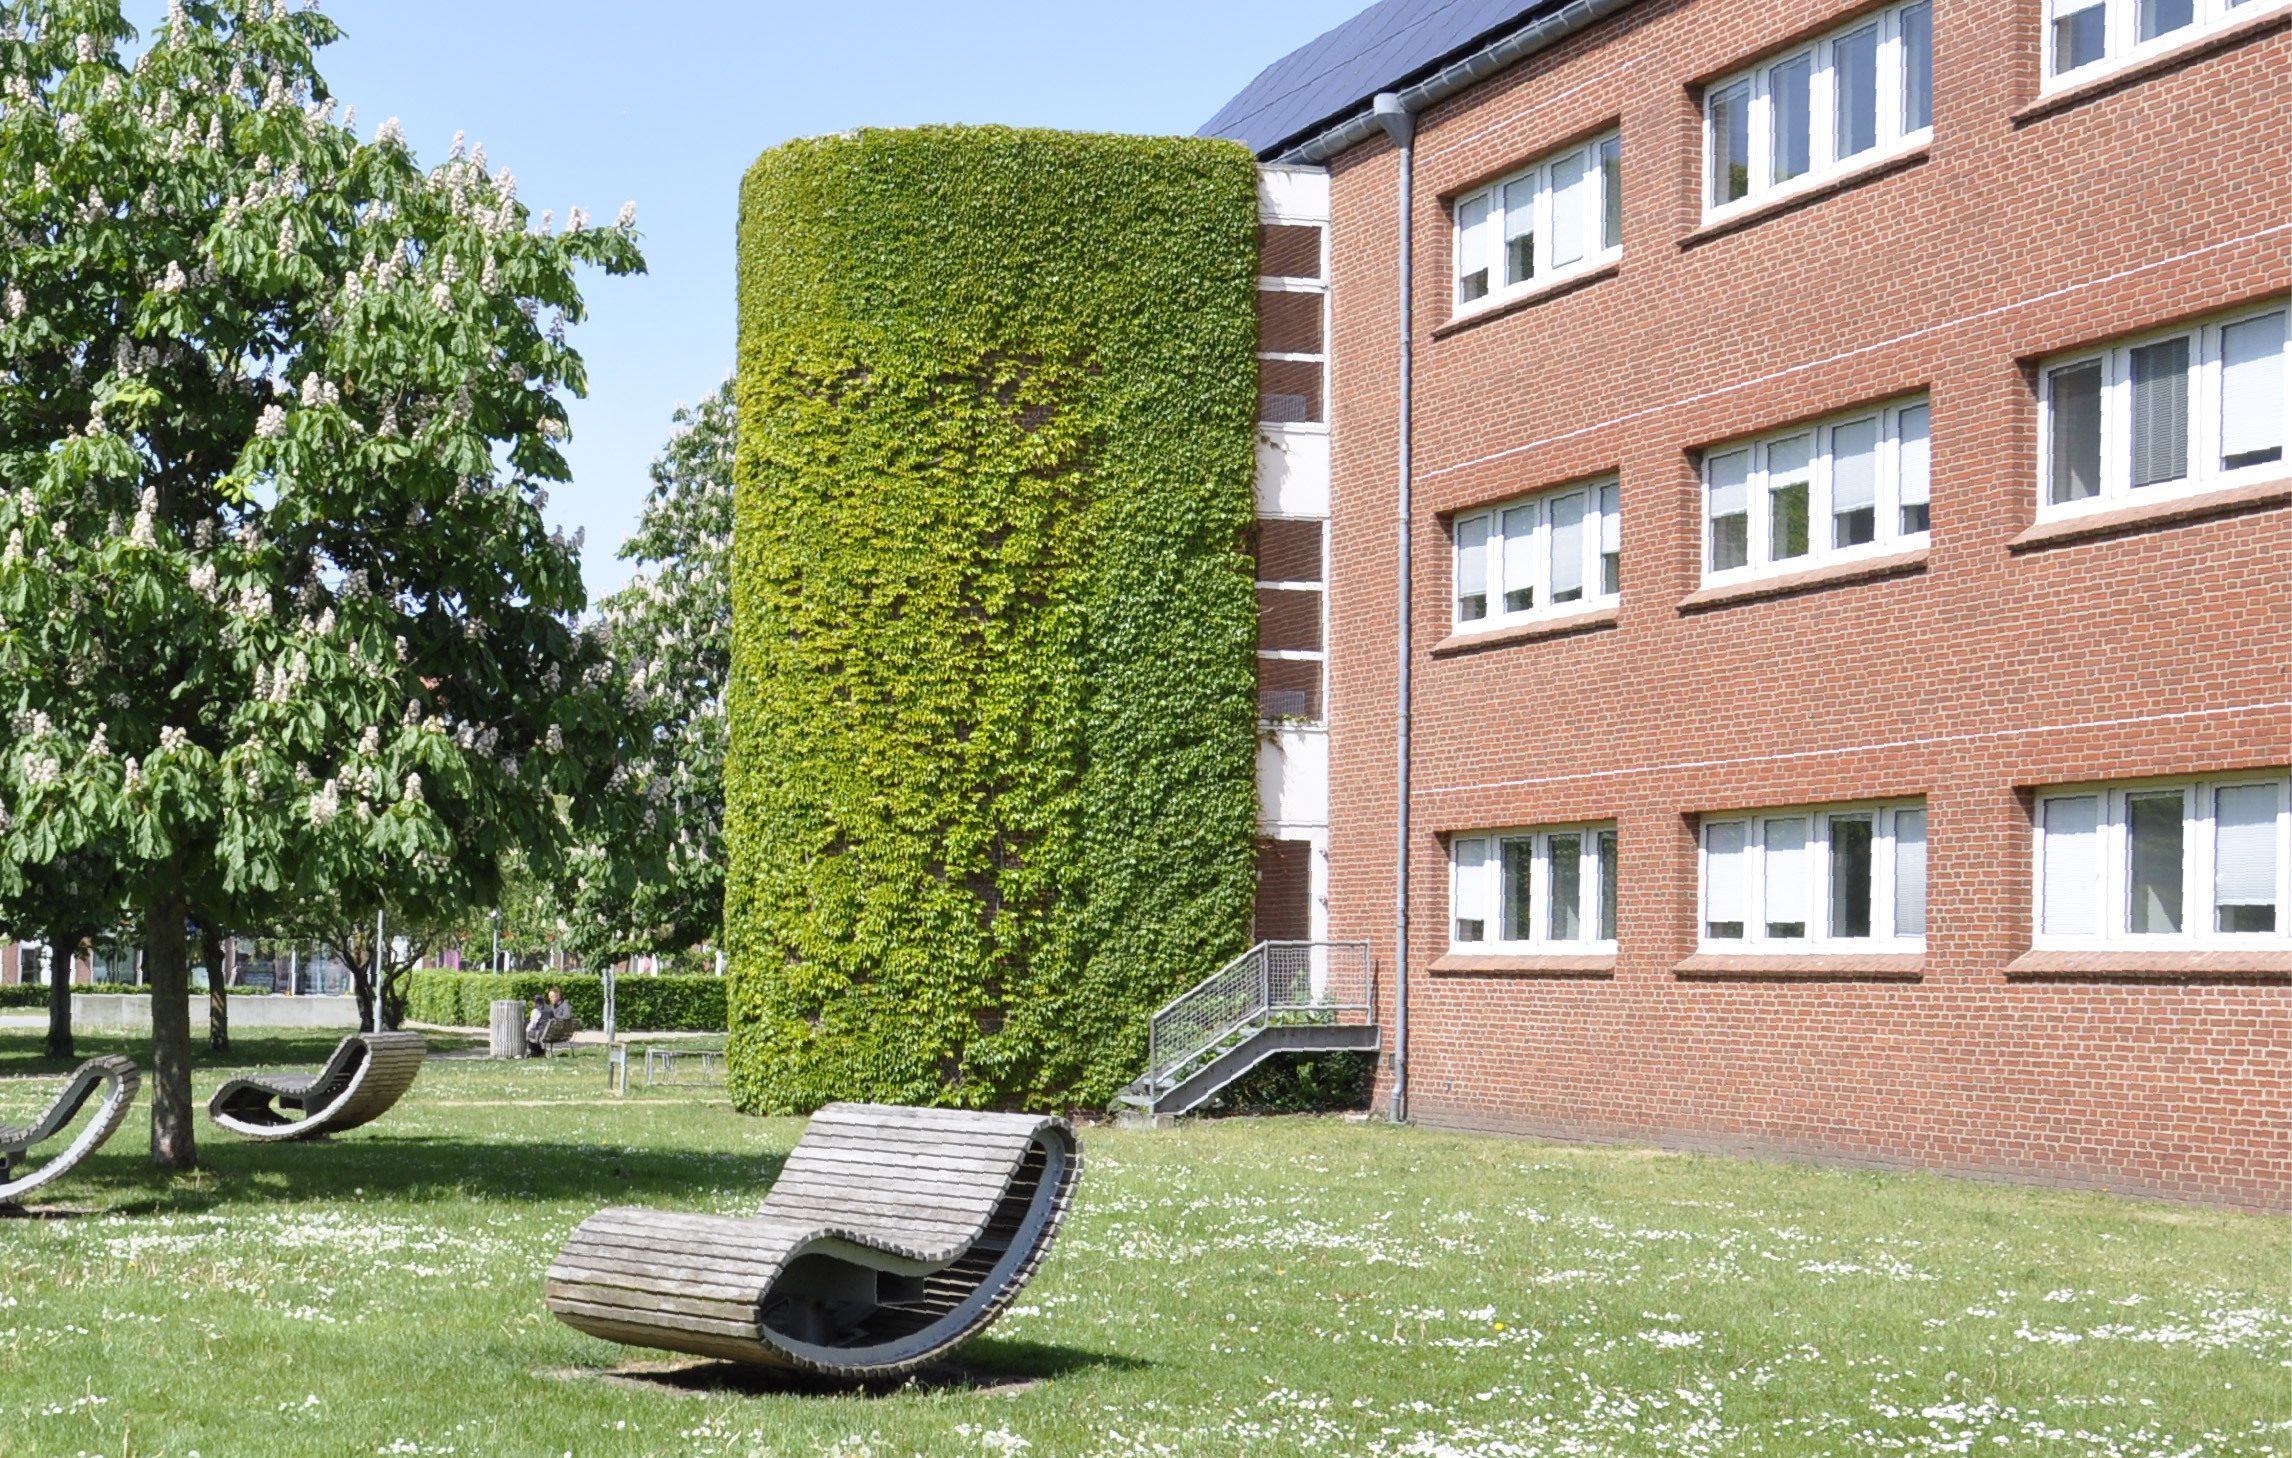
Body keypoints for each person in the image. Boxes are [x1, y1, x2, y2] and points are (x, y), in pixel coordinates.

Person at [524, 986, 572, 1057]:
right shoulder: (553, 1006)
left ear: (558, 996)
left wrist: (554, 1017)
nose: (550, 999)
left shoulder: (565, 1005)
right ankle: (539, 1052)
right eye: (550, 997)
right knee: (537, 1030)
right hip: (554, 1032)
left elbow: (567, 1017)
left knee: (532, 1031)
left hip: (558, 1033)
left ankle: (537, 1052)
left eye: (552, 997)